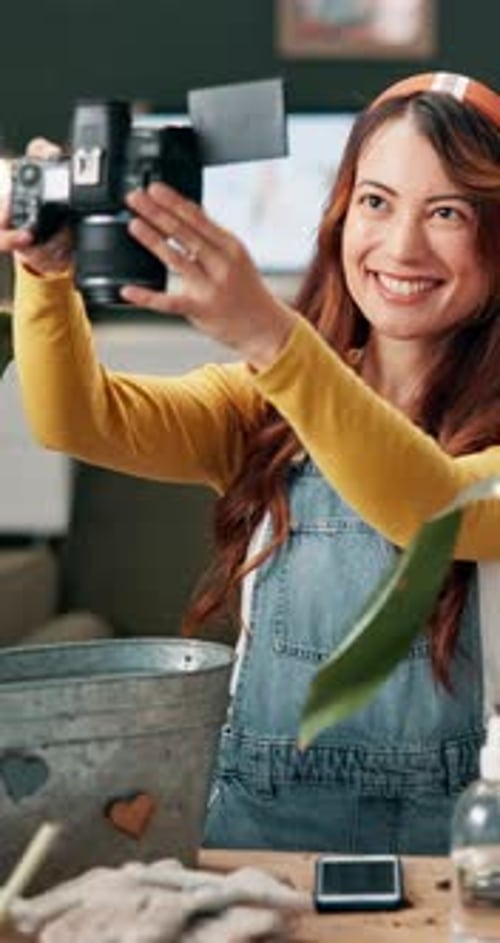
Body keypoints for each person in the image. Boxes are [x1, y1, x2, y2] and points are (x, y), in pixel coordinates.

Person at [3, 70, 500, 855]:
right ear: (340, 216)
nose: (402, 246)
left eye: (448, 213)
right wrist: (45, 277)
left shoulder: (287, 371)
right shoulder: (262, 407)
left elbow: (430, 503)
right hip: (257, 836)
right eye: (376, 201)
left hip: (467, 844)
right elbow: (76, 420)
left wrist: (271, 335)